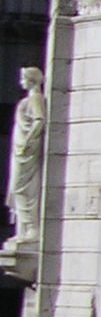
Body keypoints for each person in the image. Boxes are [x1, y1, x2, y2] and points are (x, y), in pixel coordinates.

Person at [6, 66, 46, 242]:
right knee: (18, 188)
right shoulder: (30, 98)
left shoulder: (35, 98)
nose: (21, 81)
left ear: (31, 80)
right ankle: (23, 229)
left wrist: (29, 141)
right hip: (20, 149)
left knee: (22, 188)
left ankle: (31, 228)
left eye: (23, 78)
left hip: (26, 150)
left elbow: (39, 120)